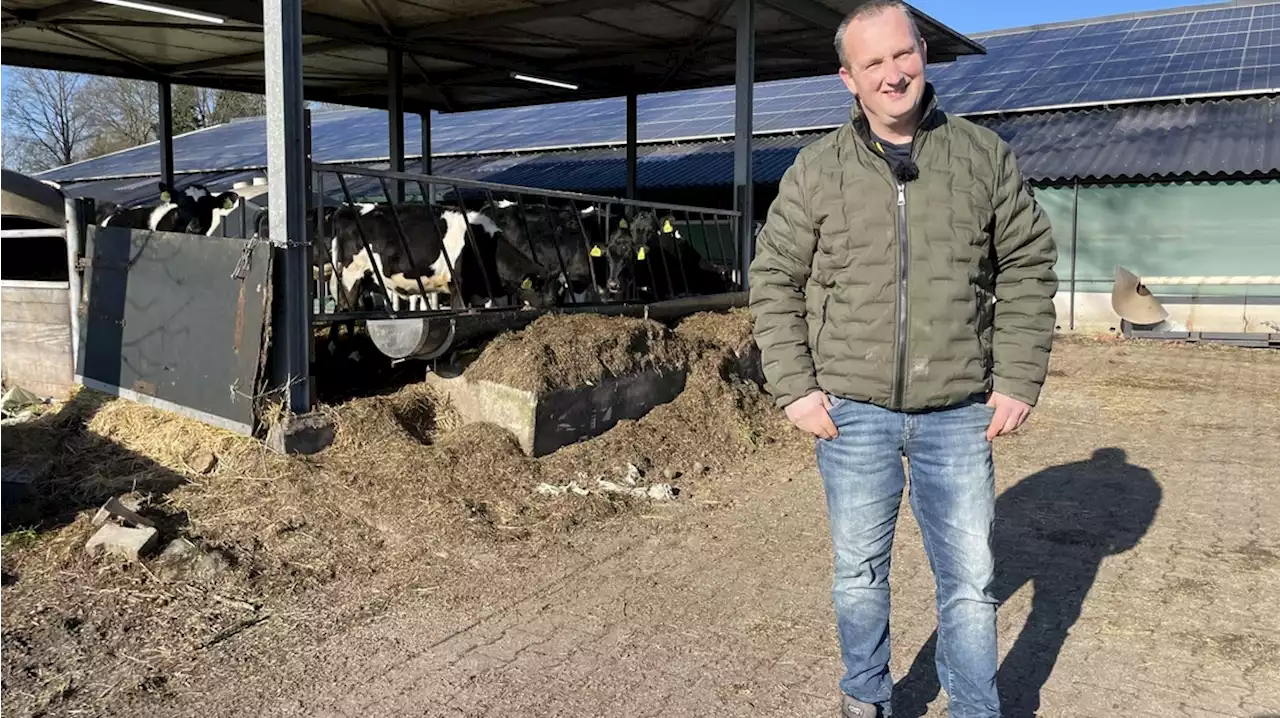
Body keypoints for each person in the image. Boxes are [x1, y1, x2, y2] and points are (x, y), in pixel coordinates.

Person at [746, 2, 1058, 717]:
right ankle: (867, 701)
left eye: (902, 54)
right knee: (859, 574)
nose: (894, 73)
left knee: (971, 580)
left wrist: (1016, 377)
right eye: (873, 63)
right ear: (847, 79)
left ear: (923, 53)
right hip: (851, 411)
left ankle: (975, 707)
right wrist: (794, 388)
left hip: (957, 409)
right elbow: (773, 278)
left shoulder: (982, 157)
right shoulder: (817, 170)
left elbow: (1027, 264)